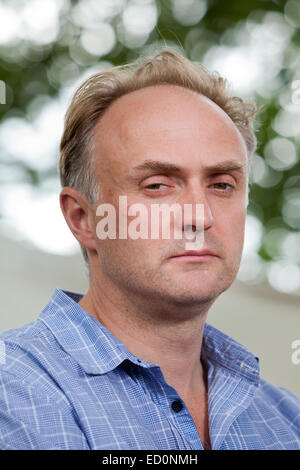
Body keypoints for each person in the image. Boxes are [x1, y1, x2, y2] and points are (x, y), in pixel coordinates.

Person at [0, 48, 299, 451]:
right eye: (158, 185)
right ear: (83, 219)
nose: (200, 215)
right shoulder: (12, 393)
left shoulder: (287, 419)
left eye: (222, 184)